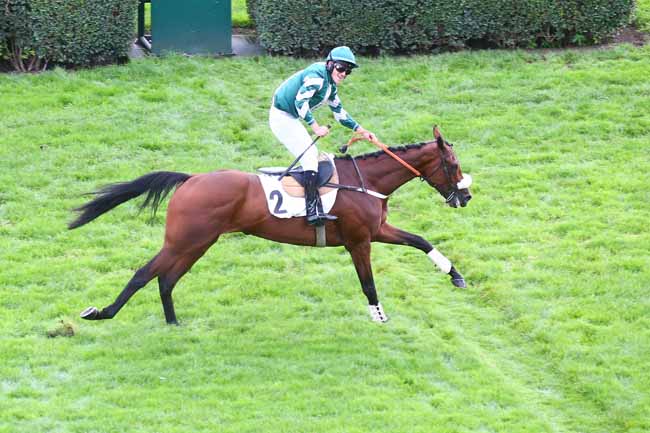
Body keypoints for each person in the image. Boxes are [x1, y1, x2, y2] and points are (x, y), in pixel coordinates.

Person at [269, 46, 376, 226]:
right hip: (282, 117)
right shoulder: (317, 77)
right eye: (341, 68)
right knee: (310, 157)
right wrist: (316, 127)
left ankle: (312, 205)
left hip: (290, 117)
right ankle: (312, 211)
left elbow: (339, 113)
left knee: (312, 156)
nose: (343, 73)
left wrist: (361, 130)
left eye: (348, 71)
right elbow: (300, 102)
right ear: (330, 64)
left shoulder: (330, 85)